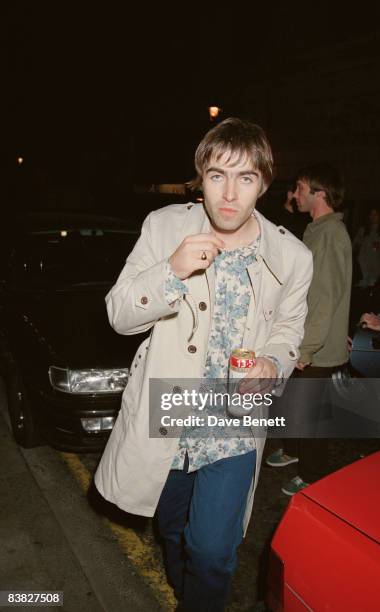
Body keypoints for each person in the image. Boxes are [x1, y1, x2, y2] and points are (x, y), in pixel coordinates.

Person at [94, 117, 313, 611]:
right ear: (200, 178)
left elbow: (288, 330)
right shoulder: (164, 227)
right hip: (170, 416)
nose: (230, 193)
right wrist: (171, 270)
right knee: (171, 531)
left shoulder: (293, 257)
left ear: (264, 183)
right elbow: (119, 314)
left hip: (234, 426)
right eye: (217, 175)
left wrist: (274, 364)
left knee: (212, 551)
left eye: (246, 178)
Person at [265, 163, 352, 496]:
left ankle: (314, 474)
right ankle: (294, 450)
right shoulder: (317, 229)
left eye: (300, 188)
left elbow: (326, 298)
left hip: (314, 348)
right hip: (307, 340)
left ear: (320, 193)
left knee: (312, 413)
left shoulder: (330, 234)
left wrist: (307, 348)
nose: (294, 195)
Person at [352, 207, 380, 287]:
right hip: (361, 275)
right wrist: (359, 240)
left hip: (375, 277)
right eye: (371, 214)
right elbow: (354, 249)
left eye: (375, 214)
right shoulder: (363, 231)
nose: (373, 216)